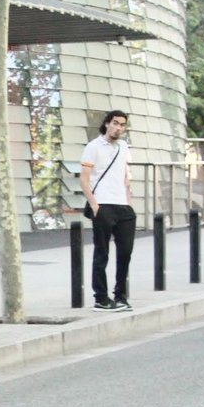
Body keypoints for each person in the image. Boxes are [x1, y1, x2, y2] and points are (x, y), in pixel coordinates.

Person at [80, 110, 135, 312]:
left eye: (122, 124)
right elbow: (84, 179)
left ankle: (120, 296)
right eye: (115, 123)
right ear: (107, 124)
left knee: (125, 253)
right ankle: (101, 299)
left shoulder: (123, 147)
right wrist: (95, 205)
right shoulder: (93, 147)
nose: (118, 128)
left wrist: (128, 200)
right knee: (102, 253)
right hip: (103, 205)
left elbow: (125, 175)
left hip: (123, 207)